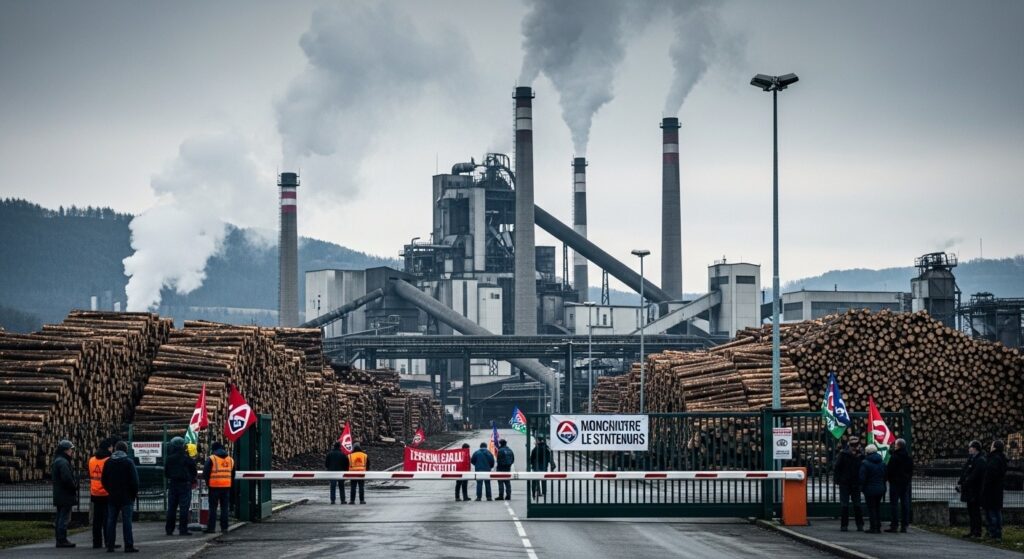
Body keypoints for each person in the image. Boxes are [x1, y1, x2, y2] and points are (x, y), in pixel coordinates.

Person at [102, 441, 139, 553]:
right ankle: (128, 545)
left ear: (115, 449)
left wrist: (110, 490)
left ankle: (110, 545)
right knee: (127, 522)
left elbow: (103, 480)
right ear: (125, 450)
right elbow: (135, 481)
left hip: (113, 496)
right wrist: (133, 494)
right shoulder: (128, 462)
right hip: (126, 497)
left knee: (111, 521)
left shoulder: (108, 462)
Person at [89, 438, 120, 549]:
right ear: (108, 448)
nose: (112, 449)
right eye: (111, 447)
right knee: (108, 519)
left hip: (95, 493)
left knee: (97, 520)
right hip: (107, 493)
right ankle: (109, 541)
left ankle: (96, 543)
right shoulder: (109, 460)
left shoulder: (91, 460)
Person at [164, 436, 197, 536]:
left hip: (173, 484)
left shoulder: (169, 459)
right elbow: (194, 472)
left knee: (172, 508)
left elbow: (166, 473)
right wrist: (190, 480)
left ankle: (169, 529)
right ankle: (183, 530)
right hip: (185, 485)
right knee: (184, 508)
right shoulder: (187, 459)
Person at [833, 436, 865, 532]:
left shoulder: (844, 454)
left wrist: (837, 480)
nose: (854, 447)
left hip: (847, 482)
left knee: (848, 504)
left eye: (855, 445)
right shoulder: (860, 455)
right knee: (854, 504)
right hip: (851, 482)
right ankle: (858, 525)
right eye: (853, 445)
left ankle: (846, 525)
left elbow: (837, 467)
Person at [52, 439, 79, 548]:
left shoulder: (58, 460)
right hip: (65, 494)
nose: (72, 452)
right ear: (65, 450)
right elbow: (67, 479)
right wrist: (74, 486)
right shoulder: (63, 462)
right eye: (70, 450)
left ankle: (59, 538)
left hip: (60, 494)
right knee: (63, 518)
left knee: (59, 517)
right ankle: (62, 540)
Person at [957, 440, 987, 539]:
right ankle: (972, 531)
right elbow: (965, 471)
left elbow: (974, 476)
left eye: (971, 447)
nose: (969, 449)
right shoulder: (972, 459)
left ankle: (977, 532)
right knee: (971, 511)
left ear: (975, 449)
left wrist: (964, 483)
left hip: (975, 490)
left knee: (975, 512)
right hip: (970, 490)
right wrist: (961, 482)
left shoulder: (980, 460)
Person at [203, 441, 234, 534]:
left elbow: (206, 473)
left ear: (213, 449)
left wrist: (208, 483)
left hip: (214, 486)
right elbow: (233, 474)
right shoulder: (230, 459)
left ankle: (211, 528)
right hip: (226, 487)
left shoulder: (212, 458)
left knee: (213, 508)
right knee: (225, 508)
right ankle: (224, 528)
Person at [885, 438, 913, 533]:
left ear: (898, 446)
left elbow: (890, 470)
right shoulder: (908, 457)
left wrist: (889, 479)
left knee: (894, 504)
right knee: (905, 504)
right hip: (905, 483)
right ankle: (904, 525)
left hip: (895, 483)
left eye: (895, 445)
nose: (894, 446)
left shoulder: (894, 457)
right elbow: (911, 471)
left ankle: (894, 525)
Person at [981, 440, 1007, 542]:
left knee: (992, 513)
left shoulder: (994, 458)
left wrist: (985, 486)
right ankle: (996, 534)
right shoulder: (1001, 458)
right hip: (997, 490)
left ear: (995, 447)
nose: (990, 447)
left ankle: (994, 535)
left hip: (991, 491)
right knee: (996, 512)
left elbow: (990, 475)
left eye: (992, 445)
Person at [859, 444, 887, 534]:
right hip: (880, 488)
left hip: (870, 489)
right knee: (877, 507)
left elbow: (862, 478)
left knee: (872, 508)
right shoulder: (882, 463)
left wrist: (862, 488)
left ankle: (873, 527)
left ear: (867, 452)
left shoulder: (865, 463)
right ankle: (878, 526)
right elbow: (885, 475)